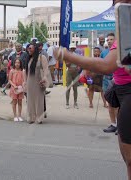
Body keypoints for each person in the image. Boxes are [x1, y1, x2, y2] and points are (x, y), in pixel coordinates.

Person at [54, 1, 131, 177]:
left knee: (130, 159)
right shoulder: (124, 31)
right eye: (117, 3)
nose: (121, 6)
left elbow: (107, 65)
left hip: (128, 93)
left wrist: (67, 55)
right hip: (120, 90)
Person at [24, 44, 49, 124]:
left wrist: (45, 77)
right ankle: (31, 117)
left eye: (30, 48)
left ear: (35, 49)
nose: (29, 50)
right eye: (28, 48)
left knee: (39, 100)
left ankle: (39, 117)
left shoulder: (42, 57)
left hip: (39, 81)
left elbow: (45, 69)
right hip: (30, 81)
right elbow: (25, 71)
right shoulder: (29, 58)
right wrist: (25, 82)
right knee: (30, 100)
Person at [101, 33, 119, 133]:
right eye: (108, 40)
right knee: (110, 104)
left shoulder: (119, 51)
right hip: (107, 80)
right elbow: (102, 64)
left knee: (119, 105)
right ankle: (113, 124)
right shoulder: (104, 52)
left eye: (111, 39)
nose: (109, 41)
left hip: (118, 81)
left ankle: (120, 125)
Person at [65, 43, 80, 109]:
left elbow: (78, 63)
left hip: (75, 72)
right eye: (71, 49)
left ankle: (75, 102)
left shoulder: (76, 55)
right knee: (68, 87)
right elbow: (67, 64)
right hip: (69, 72)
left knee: (75, 88)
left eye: (73, 49)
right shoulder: (67, 56)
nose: (72, 50)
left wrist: (77, 66)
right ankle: (67, 103)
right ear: (70, 49)